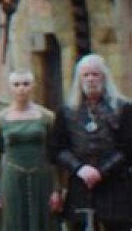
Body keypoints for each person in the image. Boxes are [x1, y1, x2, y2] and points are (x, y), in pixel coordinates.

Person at [50, 53, 132, 231]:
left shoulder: (123, 108)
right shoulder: (66, 111)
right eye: (85, 75)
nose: (90, 79)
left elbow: (128, 148)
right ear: (79, 79)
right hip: (80, 184)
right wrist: (80, 168)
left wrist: (101, 171)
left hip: (115, 185)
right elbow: (56, 149)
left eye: (95, 74)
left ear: (104, 77)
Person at [0, 70, 61, 231]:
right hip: (11, 179)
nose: (21, 88)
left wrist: (57, 189)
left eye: (26, 84)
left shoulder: (48, 117)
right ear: (10, 88)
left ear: (33, 86)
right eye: (17, 84)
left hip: (42, 178)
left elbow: (54, 156)